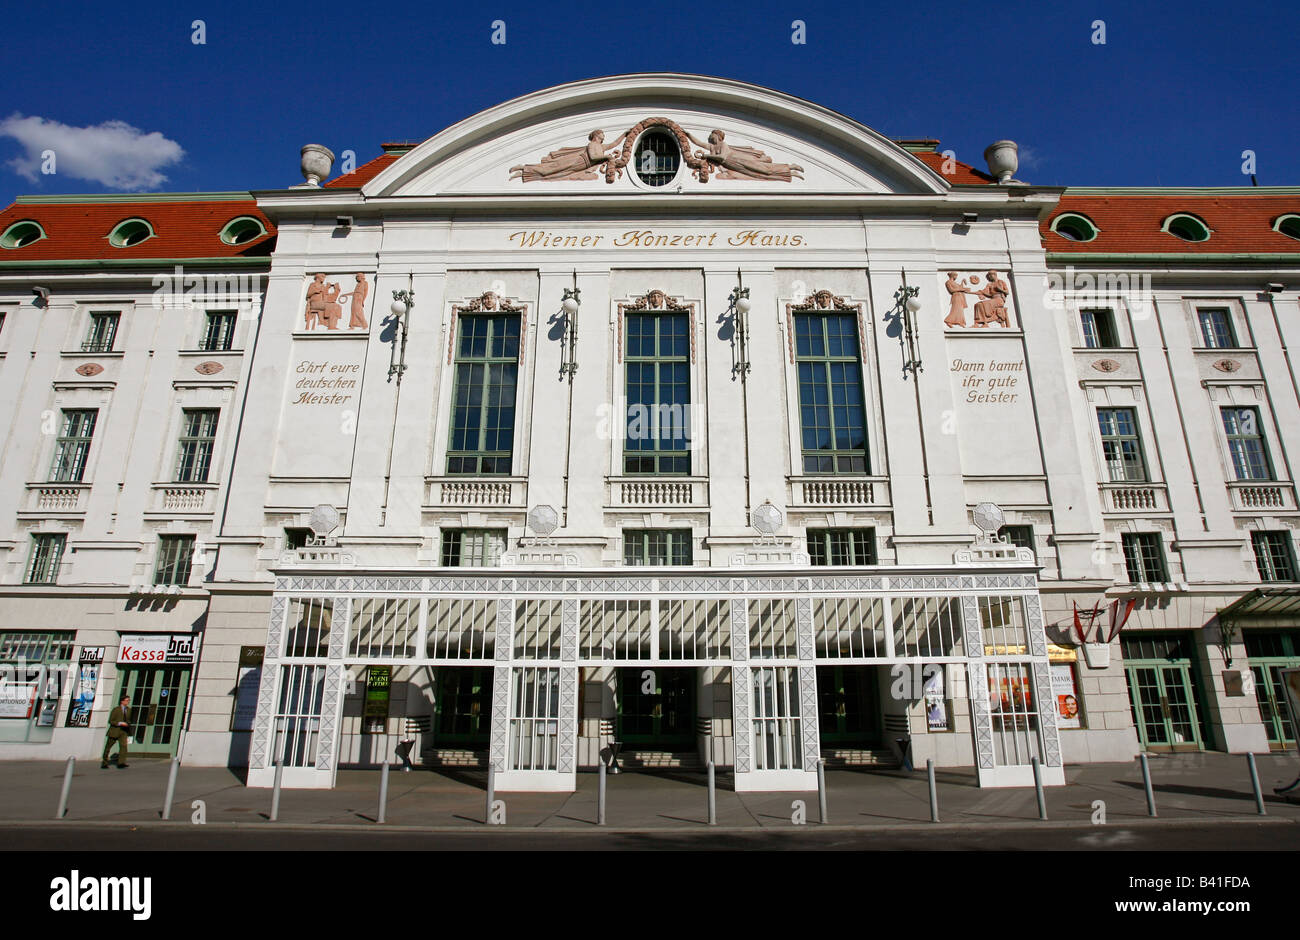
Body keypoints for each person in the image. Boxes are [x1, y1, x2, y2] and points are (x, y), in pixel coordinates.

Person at [102, 694, 132, 768]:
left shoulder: (129, 710)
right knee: (108, 747)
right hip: (114, 731)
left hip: (123, 731)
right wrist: (119, 723)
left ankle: (121, 763)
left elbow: (129, 720)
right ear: (122, 701)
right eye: (127, 700)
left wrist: (127, 724)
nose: (128, 702)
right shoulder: (116, 709)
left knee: (123, 747)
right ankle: (105, 762)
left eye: (129, 700)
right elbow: (111, 721)